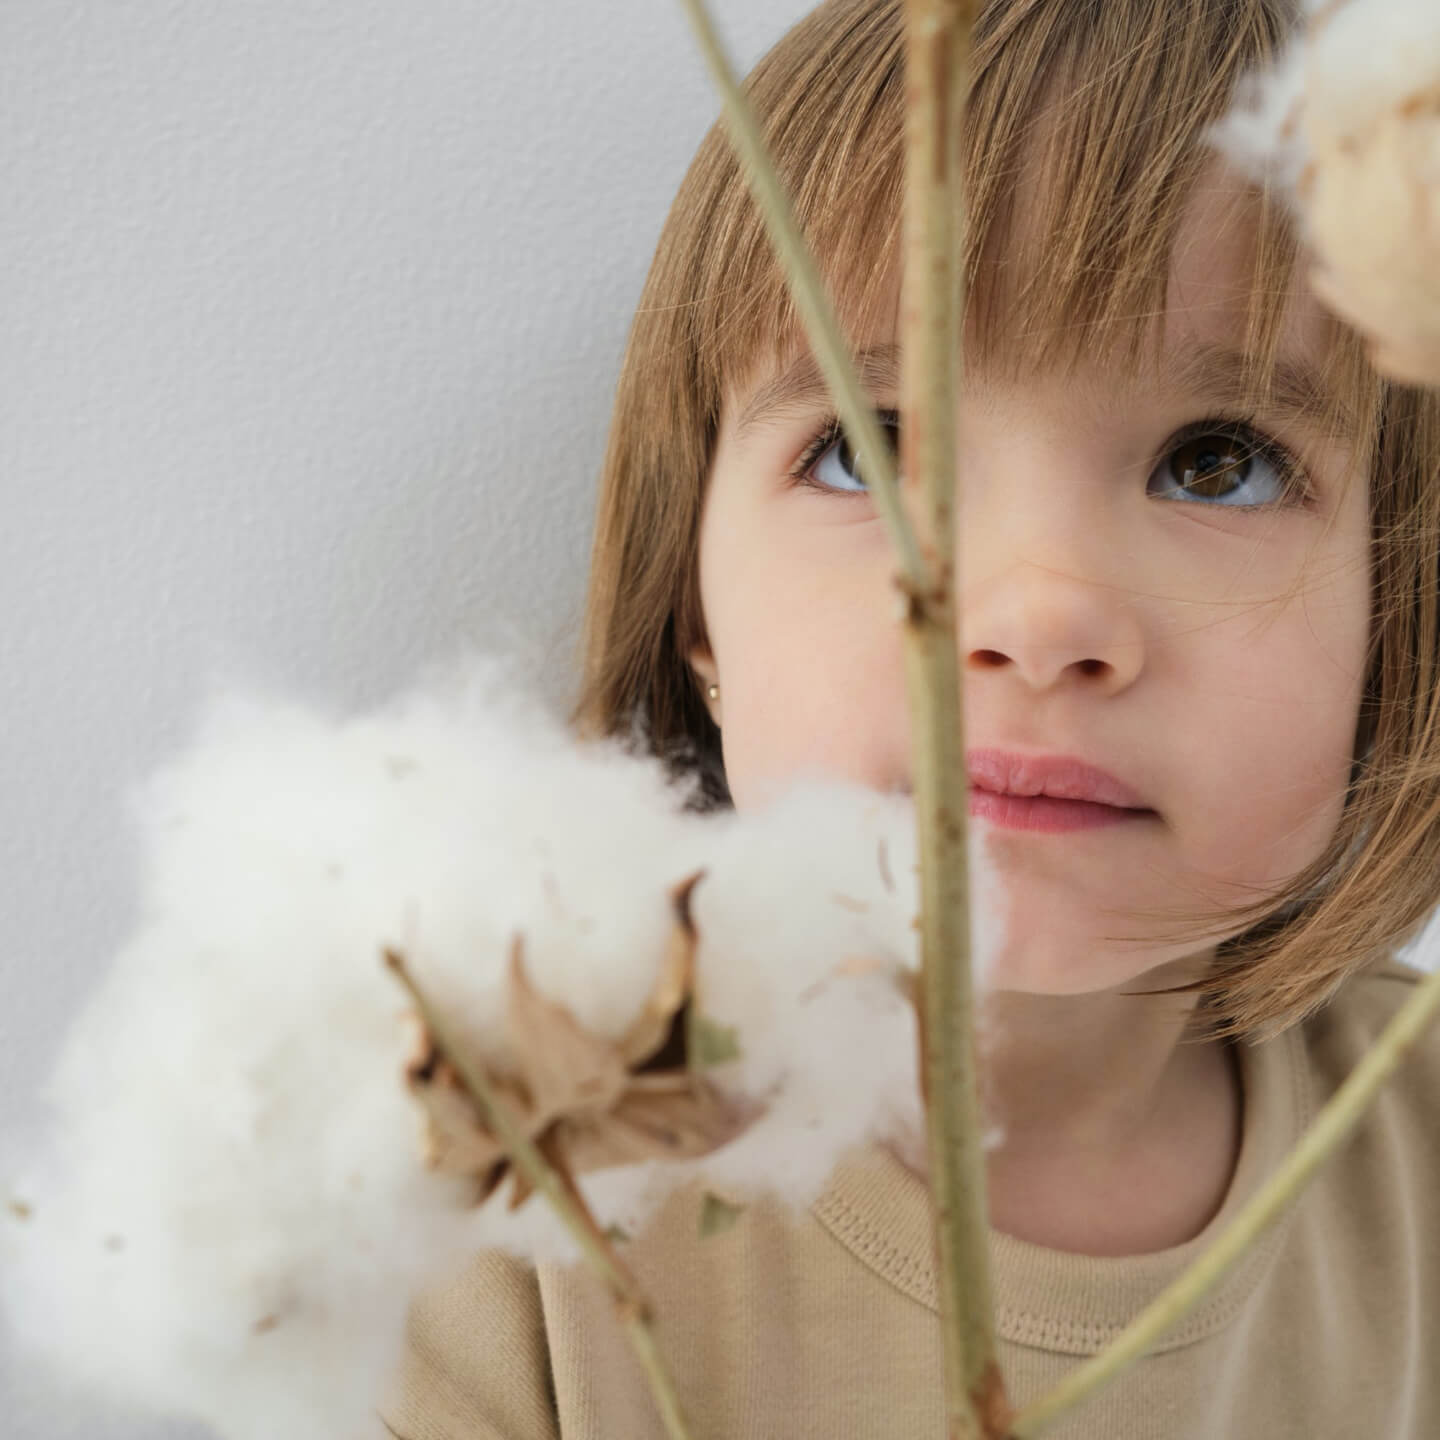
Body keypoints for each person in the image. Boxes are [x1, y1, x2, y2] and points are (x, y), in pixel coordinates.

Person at [381, 0, 1440, 1434]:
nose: (1038, 619)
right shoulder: (494, 1200)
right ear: (697, 612)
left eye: (1218, 463)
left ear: (1400, 621)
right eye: (866, 447)